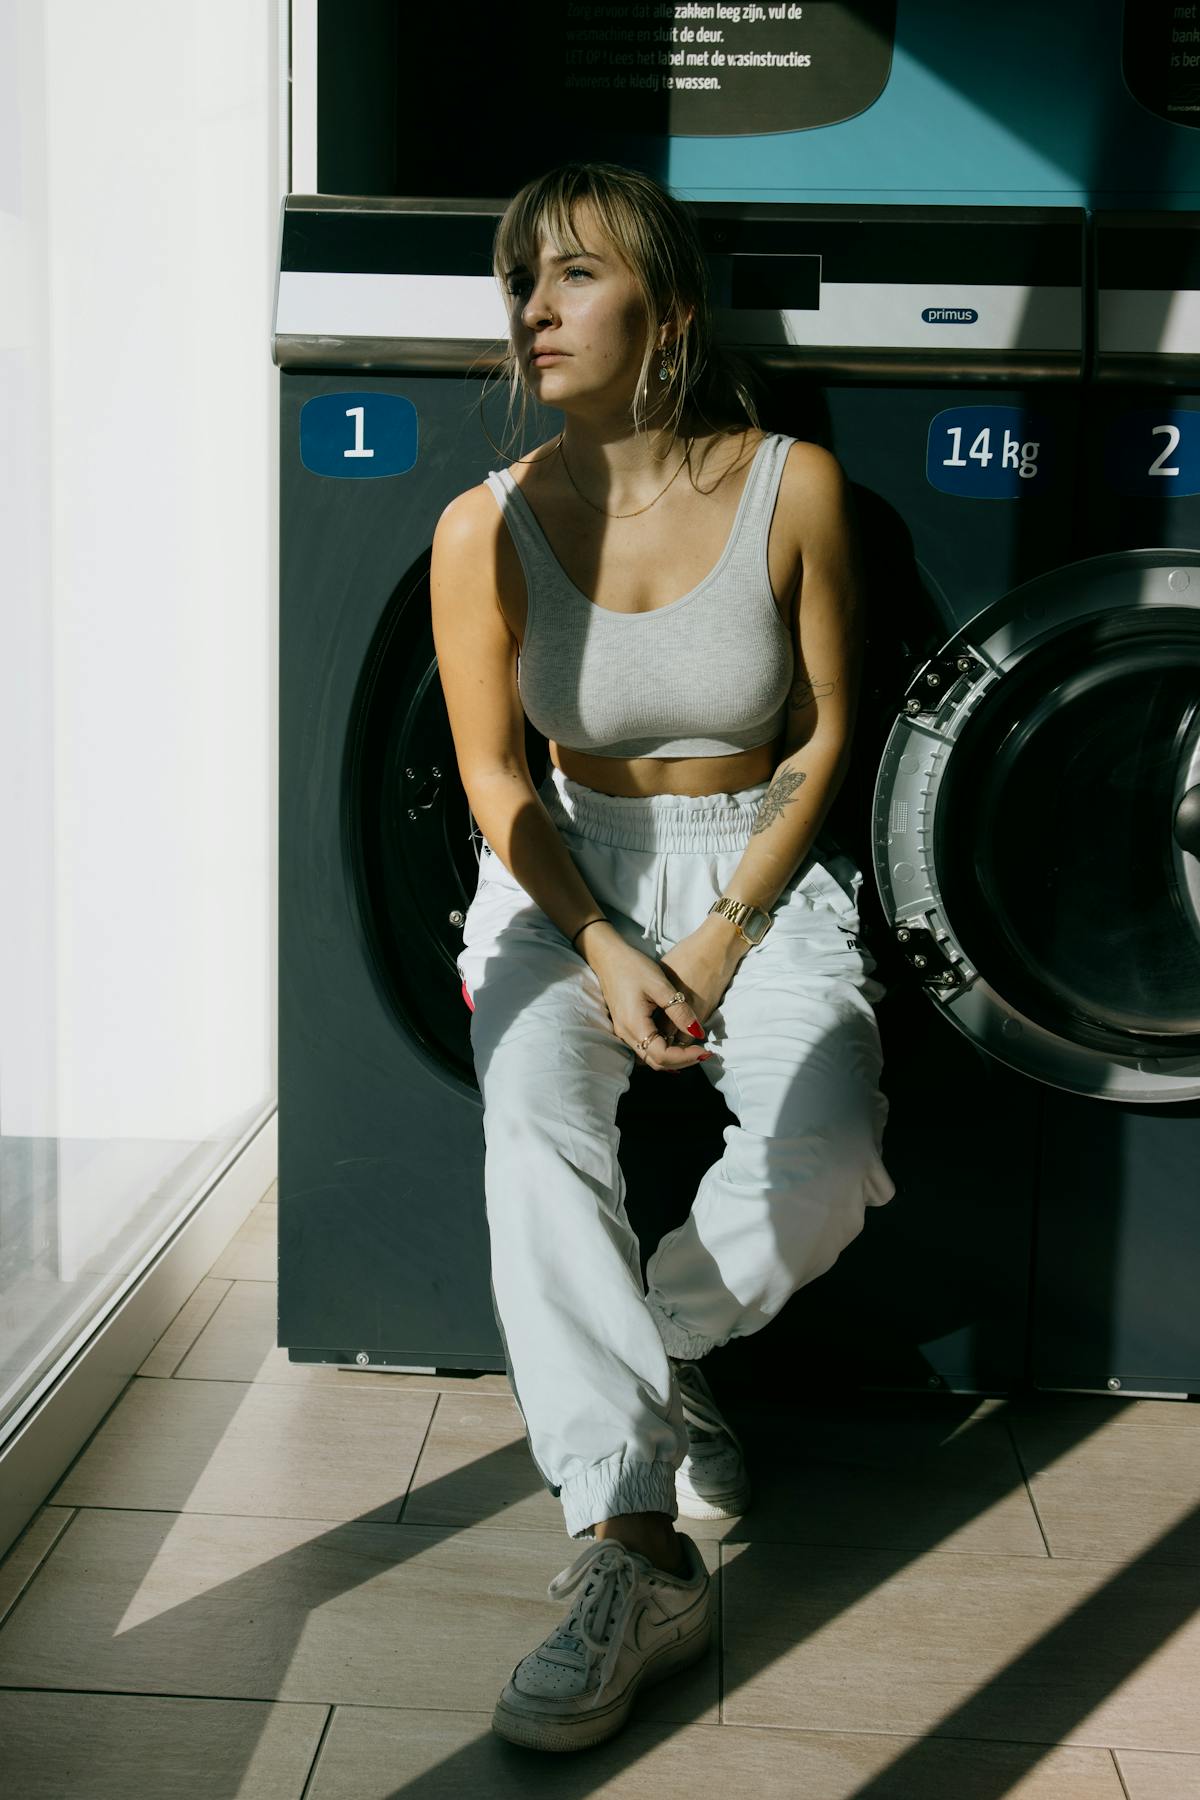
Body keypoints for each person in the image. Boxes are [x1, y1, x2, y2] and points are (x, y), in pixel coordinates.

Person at [430, 160, 896, 1754]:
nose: (533, 308)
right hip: (566, 879)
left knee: (825, 1159)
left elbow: (833, 738)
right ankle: (629, 1552)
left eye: (570, 275)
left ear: (668, 313)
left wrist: (717, 931)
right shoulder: (479, 527)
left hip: (755, 867)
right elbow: (497, 781)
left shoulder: (796, 487)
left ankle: (665, 1337)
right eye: (519, 282)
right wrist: (606, 944)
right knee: (531, 1127)